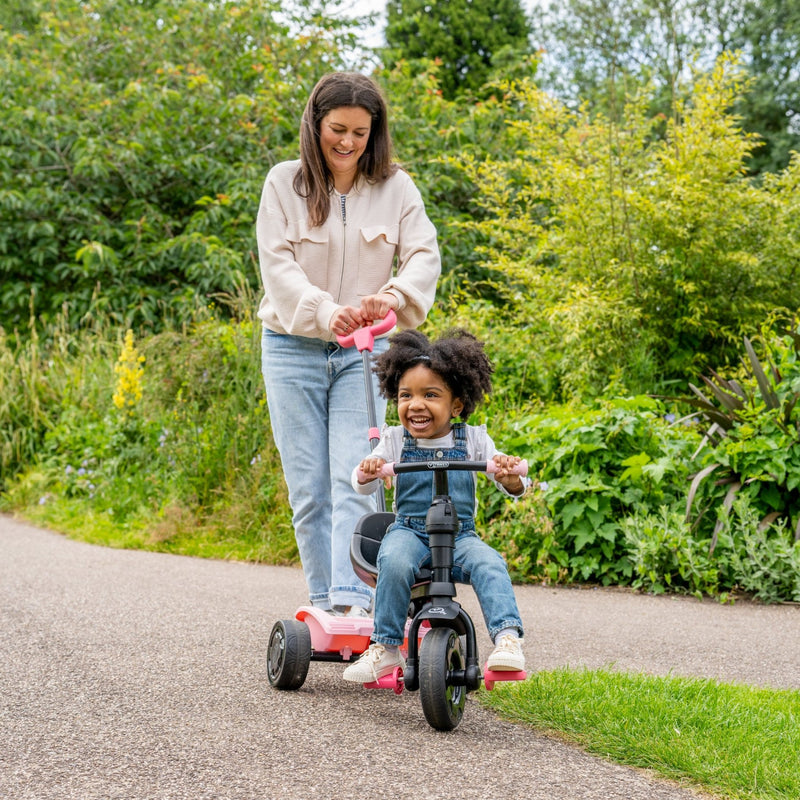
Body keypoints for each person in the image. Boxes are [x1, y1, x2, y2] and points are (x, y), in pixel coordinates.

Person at [256, 72, 441, 617]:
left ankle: (353, 603)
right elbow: (277, 265)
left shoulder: (396, 187)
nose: (348, 142)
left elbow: (424, 254)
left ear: (373, 133)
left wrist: (393, 295)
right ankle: (324, 607)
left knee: (356, 477)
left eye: (361, 133)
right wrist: (325, 311)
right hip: (291, 347)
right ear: (315, 124)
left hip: (365, 353)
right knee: (310, 490)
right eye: (338, 129)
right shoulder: (284, 183)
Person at [342, 328, 529, 683]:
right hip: (409, 531)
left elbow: (512, 480)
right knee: (393, 561)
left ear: (455, 405)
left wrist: (509, 476)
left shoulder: (472, 438)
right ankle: (386, 647)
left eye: (430, 395)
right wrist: (368, 469)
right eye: (406, 395)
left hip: (459, 536)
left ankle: (507, 639)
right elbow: (360, 481)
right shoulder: (395, 440)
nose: (415, 404)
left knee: (490, 563)